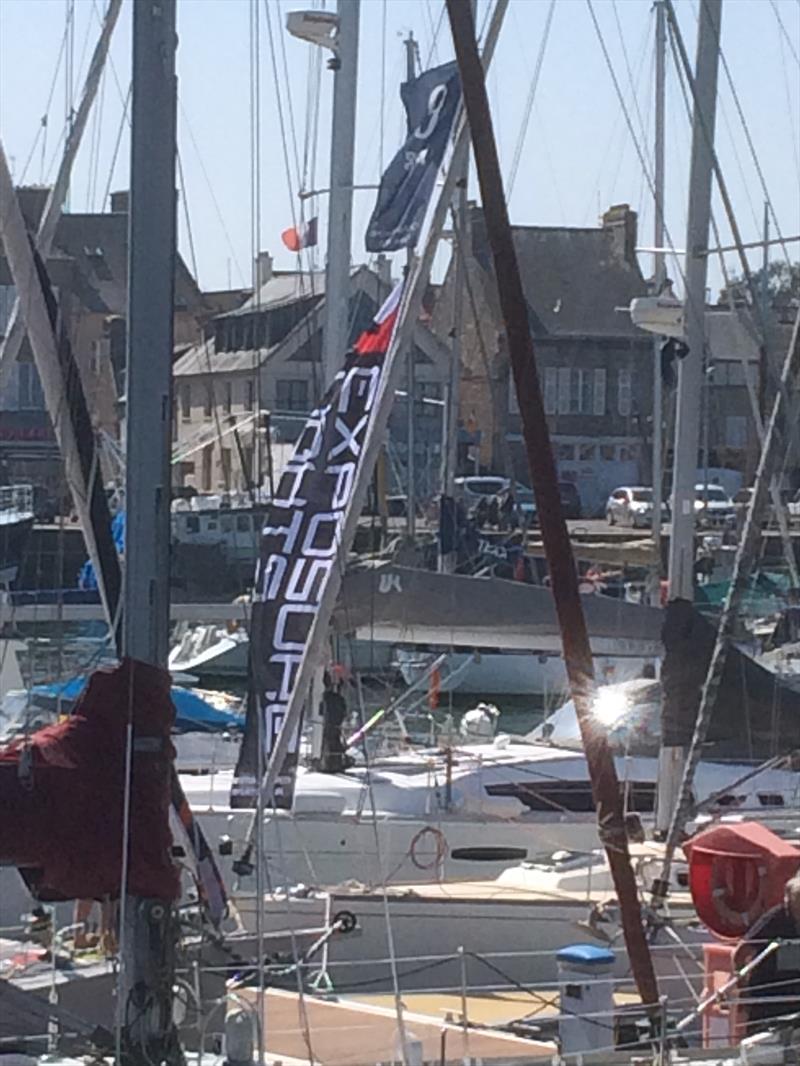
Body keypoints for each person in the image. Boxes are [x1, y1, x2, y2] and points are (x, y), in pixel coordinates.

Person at [737, 873, 800, 1034]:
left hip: (794, 993)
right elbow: (741, 951)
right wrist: (742, 988)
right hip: (768, 993)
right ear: (789, 899)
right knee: (760, 1038)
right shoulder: (774, 919)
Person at [319, 673, 348, 774]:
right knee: (334, 741)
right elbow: (344, 712)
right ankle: (334, 762)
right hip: (335, 723)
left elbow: (321, 712)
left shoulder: (327, 697)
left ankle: (329, 763)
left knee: (329, 741)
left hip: (330, 723)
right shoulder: (338, 699)